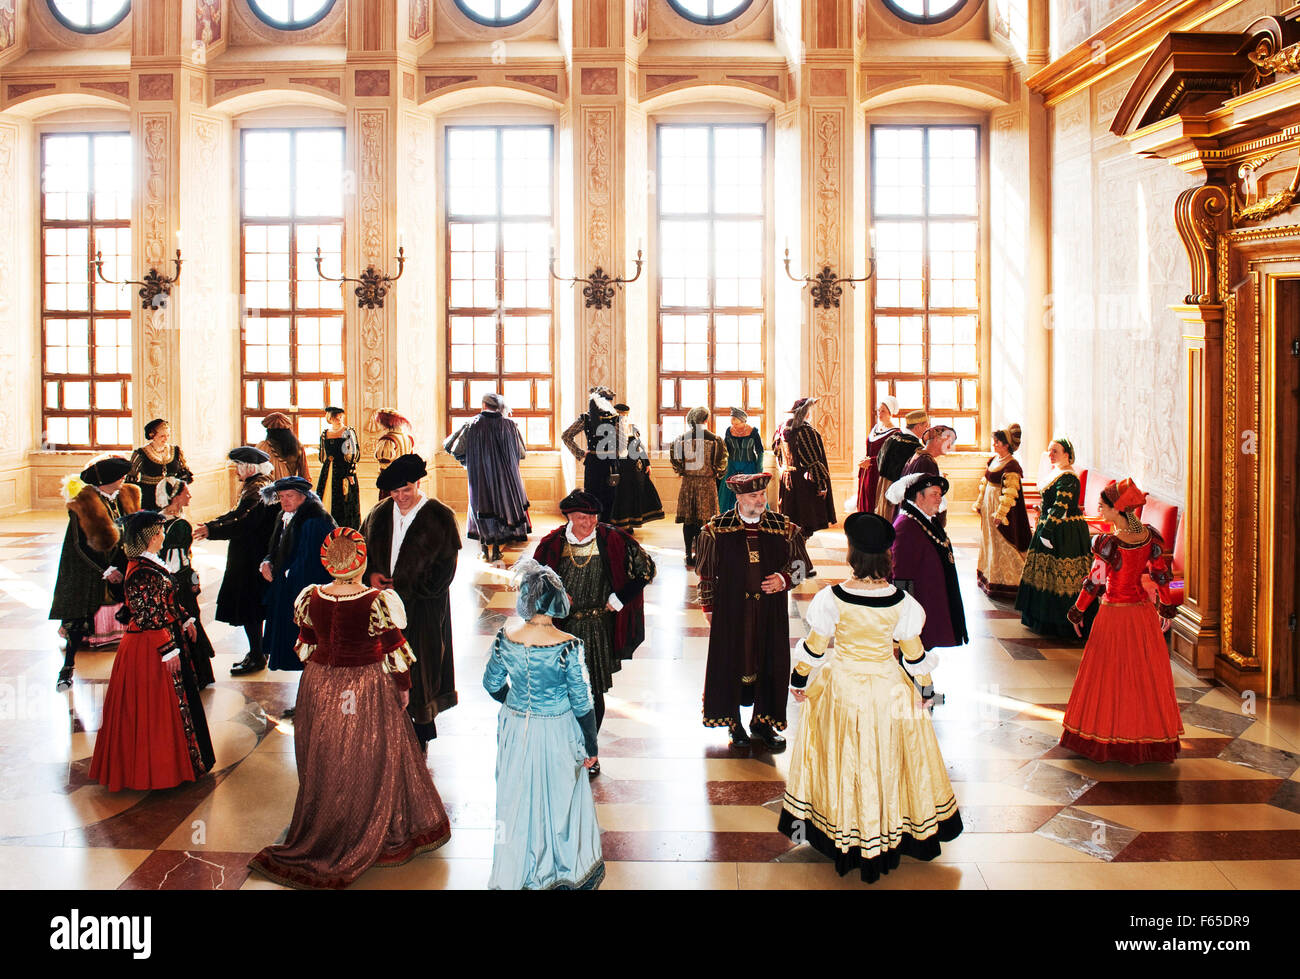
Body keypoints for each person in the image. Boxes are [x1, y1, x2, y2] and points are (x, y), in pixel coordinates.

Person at [247, 528, 452, 889]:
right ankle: (370, 822)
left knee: (326, 752)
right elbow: (395, 652)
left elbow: (306, 645)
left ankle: (329, 819)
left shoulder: (312, 597)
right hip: (365, 684)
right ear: (360, 562)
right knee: (370, 752)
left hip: (320, 686)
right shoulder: (376, 601)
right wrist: (403, 689)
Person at [779, 511, 962, 883]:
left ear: (853, 555)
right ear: (886, 558)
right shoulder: (903, 602)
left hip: (842, 688)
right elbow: (913, 656)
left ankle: (844, 833)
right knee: (889, 758)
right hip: (888, 689)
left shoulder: (832, 598)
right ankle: (888, 831)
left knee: (843, 757)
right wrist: (926, 691)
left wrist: (799, 681)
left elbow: (814, 648)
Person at [483, 559, 604, 890]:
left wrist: (516, 703)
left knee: (517, 795)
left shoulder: (505, 637)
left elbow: (491, 684)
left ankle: (518, 868)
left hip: (515, 727)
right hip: (557, 729)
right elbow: (582, 702)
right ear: (557, 601)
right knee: (559, 798)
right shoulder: (568, 645)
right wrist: (591, 745)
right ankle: (558, 869)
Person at [88, 510, 215, 792]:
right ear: (147, 538)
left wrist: (185, 618)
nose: (162, 536)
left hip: (158, 640)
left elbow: (164, 600)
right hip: (148, 648)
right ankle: (156, 772)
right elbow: (147, 615)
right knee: (153, 708)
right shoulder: (141, 572)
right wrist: (168, 649)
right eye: (158, 533)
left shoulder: (149, 565)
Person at [1060, 478, 1184, 764]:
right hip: (1142, 614)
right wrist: (1165, 606)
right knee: (1143, 677)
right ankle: (1148, 739)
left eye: (1103, 507)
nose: (1100, 511)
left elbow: (1095, 581)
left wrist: (1077, 610)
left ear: (1118, 510)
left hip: (1114, 614)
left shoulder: (1108, 543)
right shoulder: (1149, 538)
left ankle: (1106, 738)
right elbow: (1160, 575)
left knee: (1108, 675)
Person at [532, 491, 656, 770]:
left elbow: (646, 570)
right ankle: (565, 748)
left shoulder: (613, 539)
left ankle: (590, 751)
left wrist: (620, 597)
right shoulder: (552, 544)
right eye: (580, 517)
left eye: (591, 517)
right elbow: (534, 584)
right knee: (562, 691)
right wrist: (555, 600)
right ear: (568, 517)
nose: (587, 523)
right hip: (561, 630)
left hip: (598, 628)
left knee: (591, 693)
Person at [696, 472, 811, 748]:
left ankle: (763, 722)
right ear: (738, 497)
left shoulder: (783, 527)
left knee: (770, 661)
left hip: (770, 611)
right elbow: (706, 575)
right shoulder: (716, 529)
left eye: (762, 495)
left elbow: (802, 565)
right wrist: (709, 608)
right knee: (733, 661)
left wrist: (784, 579)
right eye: (752, 496)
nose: (760, 501)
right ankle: (734, 724)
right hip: (731, 611)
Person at [362, 453, 461, 751]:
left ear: (418, 483)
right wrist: (372, 575)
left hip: (424, 608)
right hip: (383, 606)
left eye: (406, 490)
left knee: (422, 664)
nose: (401, 497)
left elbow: (445, 571)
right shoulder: (378, 513)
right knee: (386, 662)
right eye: (394, 492)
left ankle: (421, 729)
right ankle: (390, 724)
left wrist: (407, 588)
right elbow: (362, 550)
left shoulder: (439, 516)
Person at [49, 455, 140, 690]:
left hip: (119, 561)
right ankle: (67, 668)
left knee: (134, 608)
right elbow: (79, 545)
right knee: (78, 619)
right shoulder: (84, 504)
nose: (123, 480)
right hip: (88, 569)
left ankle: (139, 663)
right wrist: (105, 570)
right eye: (119, 477)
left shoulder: (124, 496)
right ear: (107, 480)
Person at [196, 447, 280, 677]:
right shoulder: (261, 485)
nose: (235, 471)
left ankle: (257, 654)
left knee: (250, 607)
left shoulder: (257, 489)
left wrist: (211, 529)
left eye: (238, 466)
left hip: (251, 556)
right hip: (254, 553)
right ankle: (258, 652)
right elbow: (236, 513)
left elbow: (242, 521)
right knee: (254, 607)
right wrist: (212, 525)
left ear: (250, 467)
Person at [259, 475, 336, 712]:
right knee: (302, 650)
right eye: (281, 497)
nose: (284, 501)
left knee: (311, 649)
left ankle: (315, 703)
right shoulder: (285, 516)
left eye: (289, 496)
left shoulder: (313, 521)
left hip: (306, 596)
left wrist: (290, 587)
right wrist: (267, 561)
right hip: (289, 591)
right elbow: (276, 548)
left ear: (303, 497)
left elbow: (310, 564)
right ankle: (308, 701)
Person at [1016, 437, 1095, 639]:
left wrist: (1048, 532)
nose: (1050, 455)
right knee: (1045, 574)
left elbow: (1060, 507)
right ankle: (1042, 619)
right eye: (1050, 451)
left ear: (1067, 455)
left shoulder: (1068, 477)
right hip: (1049, 526)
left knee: (1062, 576)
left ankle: (1062, 623)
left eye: (1055, 451)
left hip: (1063, 532)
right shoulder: (1057, 472)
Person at [443, 392, 531, 564]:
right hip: (505, 478)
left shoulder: (473, 424)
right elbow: (521, 453)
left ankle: (484, 551)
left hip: (480, 477)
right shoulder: (510, 425)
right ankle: (497, 550)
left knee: (481, 509)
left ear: (483, 405)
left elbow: (454, 448)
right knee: (501, 510)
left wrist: (471, 460)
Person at [888, 473, 968, 651]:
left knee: (922, 654)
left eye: (940, 495)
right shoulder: (905, 527)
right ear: (918, 496)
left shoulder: (926, 521)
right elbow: (901, 576)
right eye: (934, 494)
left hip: (930, 603)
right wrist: (905, 619)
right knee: (911, 654)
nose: (939, 499)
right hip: (918, 610)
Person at [156, 476, 216, 689]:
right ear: (176, 497)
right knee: (189, 621)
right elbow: (180, 562)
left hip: (166, 578)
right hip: (178, 581)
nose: (189, 495)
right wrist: (192, 579)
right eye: (186, 492)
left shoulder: (159, 519)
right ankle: (197, 675)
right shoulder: (179, 525)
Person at [772, 397, 835, 574]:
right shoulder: (805, 431)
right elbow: (814, 461)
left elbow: (777, 453)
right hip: (803, 484)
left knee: (792, 524)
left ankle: (796, 563)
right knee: (803, 526)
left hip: (787, 480)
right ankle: (800, 566)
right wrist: (822, 485)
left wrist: (785, 470)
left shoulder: (781, 429)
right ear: (806, 412)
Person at [972, 424, 1032, 601]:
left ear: (1006, 445)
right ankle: (990, 576)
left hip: (1002, 514)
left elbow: (1010, 492)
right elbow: (985, 483)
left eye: (997, 442)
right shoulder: (993, 460)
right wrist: (979, 503)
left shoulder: (1012, 465)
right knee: (989, 541)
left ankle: (1008, 583)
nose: (994, 444)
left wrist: (1001, 513)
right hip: (988, 507)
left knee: (1003, 544)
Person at [669, 407, 729, 567]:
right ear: (706, 420)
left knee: (688, 521)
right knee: (706, 521)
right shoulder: (716, 440)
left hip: (688, 484)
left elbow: (676, 463)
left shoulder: (680, 439)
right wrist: (715, 473)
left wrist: (684, 470)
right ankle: (704, 553)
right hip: (707, 484)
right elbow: (722, 464)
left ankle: (688, 554)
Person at [561, 386, 622, 522]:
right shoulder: (615, 418)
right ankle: (606, 530)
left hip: (593, 462)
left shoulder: (586, 418)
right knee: (609, 499)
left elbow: (566, 436)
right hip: (610, 463)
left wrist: (580, 453)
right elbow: (621, 443)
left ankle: (592, 529)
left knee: (592, 498)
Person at [609, 403, 665, 532]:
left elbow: (640, 447)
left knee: (636, 494)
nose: (623, 418)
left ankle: (633, 521)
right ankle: (623, 524)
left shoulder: (633, 428)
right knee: (623, 495)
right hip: (621, 467)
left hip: (637, 468)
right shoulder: (610, 429)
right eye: (620, 415)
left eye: (625, 415)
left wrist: (647, 463)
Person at [875, 409, 929, 521]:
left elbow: (879, 460)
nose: (927, 430)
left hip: (883, 486)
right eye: (926, 426)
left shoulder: (891, 439)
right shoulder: (914, 447)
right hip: (898, 492)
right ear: (918, 427)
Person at [127, 419, 193, 511]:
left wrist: (177, 491)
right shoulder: (140, 454)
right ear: (152, 435)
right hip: (149, 497)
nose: (166, 439)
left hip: (171, 496)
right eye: (162, 436)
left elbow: (184, 475)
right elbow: (131, 480)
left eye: (168, 435)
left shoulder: (176, 451)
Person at [900, 424, 956, 529]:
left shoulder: (918, 455)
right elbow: (926, 500)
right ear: (937, 440)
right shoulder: (926, 462)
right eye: (949, 442)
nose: (950, 447)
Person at [316, 406, 360, 530]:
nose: (338, 419)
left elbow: (352, 453)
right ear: (330, 418)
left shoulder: (347, 431)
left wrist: (350, 473)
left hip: (343, 470)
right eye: (336, 417)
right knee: (325, 497)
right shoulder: (325, 433)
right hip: (328, 470)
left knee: (344, 500)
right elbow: (322, 455)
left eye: (340, 416)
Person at [855, 395, 899, 514]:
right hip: (867, 471)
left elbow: (891, 456)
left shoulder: (895, 432)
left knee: (875, 502)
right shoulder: (875, 428)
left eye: (883, 411)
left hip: (879, 472)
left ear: (890, 413)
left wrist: (871, 461)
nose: (879, 413)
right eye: (879, 410)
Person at [718, 407, 764, 514]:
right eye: (731, 418)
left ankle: (751, 516)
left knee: (749, 492)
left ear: (742, 419)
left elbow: (760, 451)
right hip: (731, 466)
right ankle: (728, 516)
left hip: (749, 467)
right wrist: (723, 466)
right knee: (728, 493)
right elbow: (725, 450)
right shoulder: (729, 431)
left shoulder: (753, 432)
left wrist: (759, 468)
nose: (732, 421)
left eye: (734, 419)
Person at [373, 407, 415, 501]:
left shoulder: (388, 440)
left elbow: (384, 463)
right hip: (406, 480)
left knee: (388, 508)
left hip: (392, 481)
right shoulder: (408, 438)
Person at [258, 412, 310, 482]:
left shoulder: (262, 446)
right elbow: (304, 475)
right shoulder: (297, 446)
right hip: (289, 488)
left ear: (269, 431)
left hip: (267, 489)